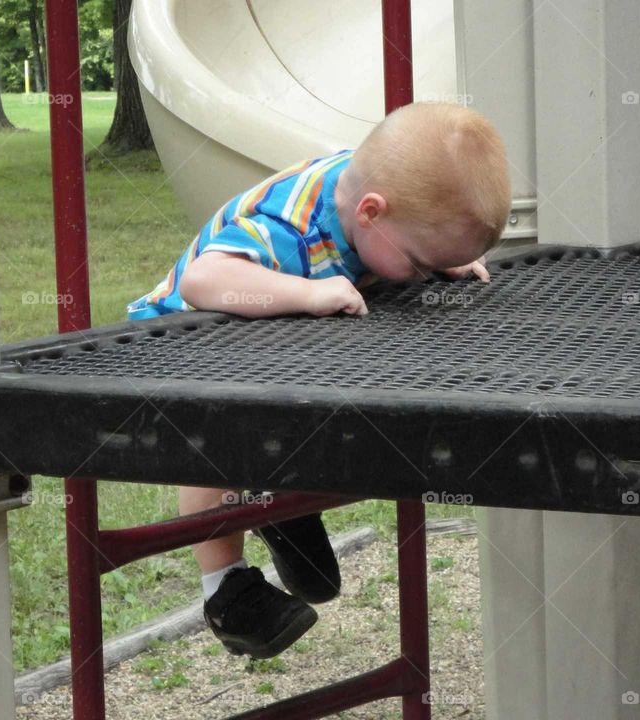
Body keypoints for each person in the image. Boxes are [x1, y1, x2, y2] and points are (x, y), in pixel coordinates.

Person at [127, 102, 511, 658]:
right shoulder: (291, 228)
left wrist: (442, 257)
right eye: (420, 262)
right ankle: (227, 589)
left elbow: (406, 223)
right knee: (213, 443)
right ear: (372, 213)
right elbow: (203, 278)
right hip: (180, 343)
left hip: (265, 347)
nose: (424, 275)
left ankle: (277, 499)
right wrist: (307, 293)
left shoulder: (373, 203)